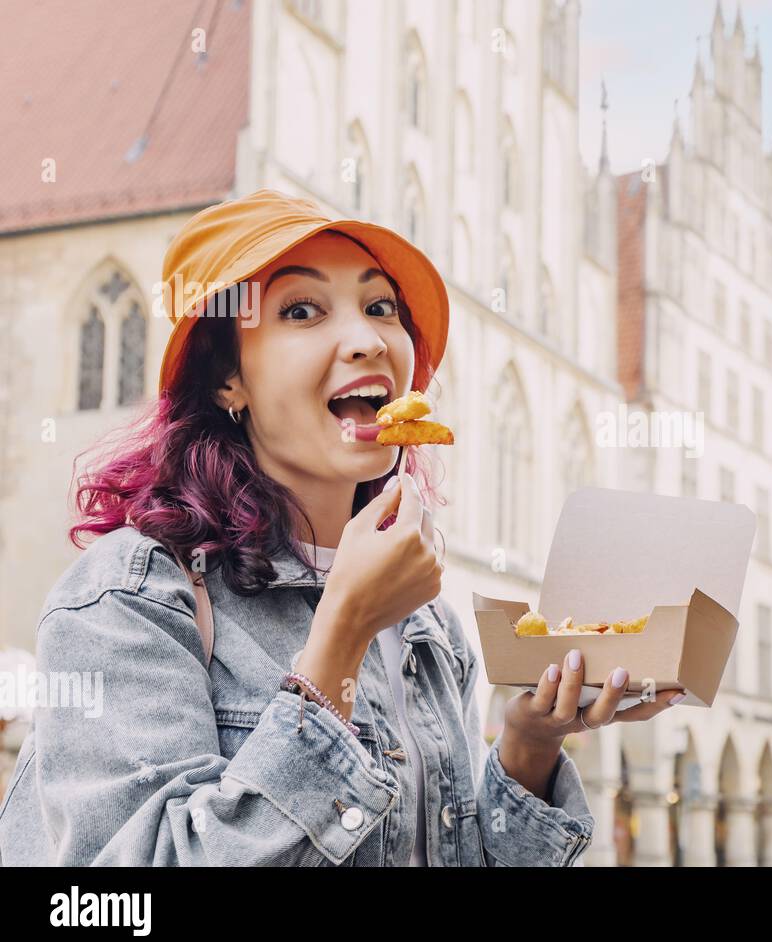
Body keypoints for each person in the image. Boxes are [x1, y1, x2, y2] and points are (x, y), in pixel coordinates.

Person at [0, 189, 682, 866]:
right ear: (226, 380)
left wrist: (530, 746)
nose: (367, 340)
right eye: (302, 310)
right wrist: (342, 636)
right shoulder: (131, 596)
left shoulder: (429, 629)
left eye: (381, 307)